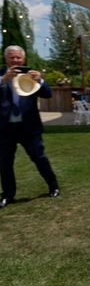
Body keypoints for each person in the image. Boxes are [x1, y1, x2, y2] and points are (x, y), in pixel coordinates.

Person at [0, 45, 60, 208]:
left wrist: (40, 80)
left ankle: (53, 186)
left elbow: (47, 94)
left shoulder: (31, 75)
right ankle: (7, 195)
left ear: (24, 59)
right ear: (6, 58)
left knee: (39, 158)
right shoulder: (1, 75)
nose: (15, 60)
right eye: (12, 57)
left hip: (29, 127)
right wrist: (4, 79)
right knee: (5, 163)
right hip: (5, 128)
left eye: (18, 57)